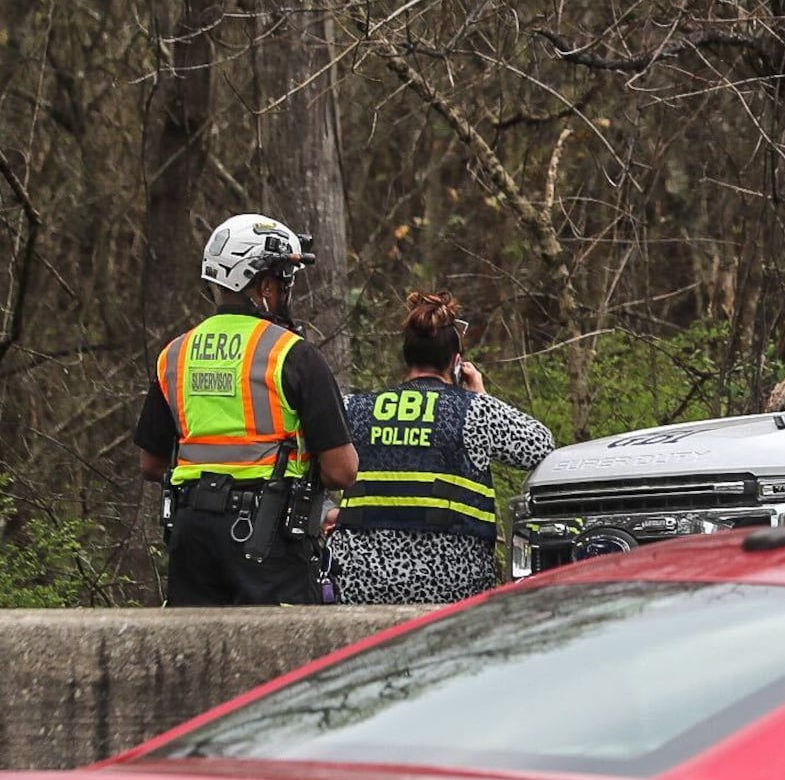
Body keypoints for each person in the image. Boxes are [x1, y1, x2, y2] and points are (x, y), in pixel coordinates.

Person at [134, 213, 359, 605]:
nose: (288, 294)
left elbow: (151, 465)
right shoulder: (292, 355)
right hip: (269, 540)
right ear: (264, 285)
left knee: (195, 657)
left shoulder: (174, 354)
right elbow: (342, 471)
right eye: (285, 282)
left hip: (191, 538)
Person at [329, 291, 556, 604]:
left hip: (361, 584)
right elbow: (541, 445)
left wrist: (327, 513)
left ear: (407, 355)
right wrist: (482, 397)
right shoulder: (476, 411)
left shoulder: (353, 408)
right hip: (455, 587)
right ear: (456, 361)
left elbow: (305, 456)